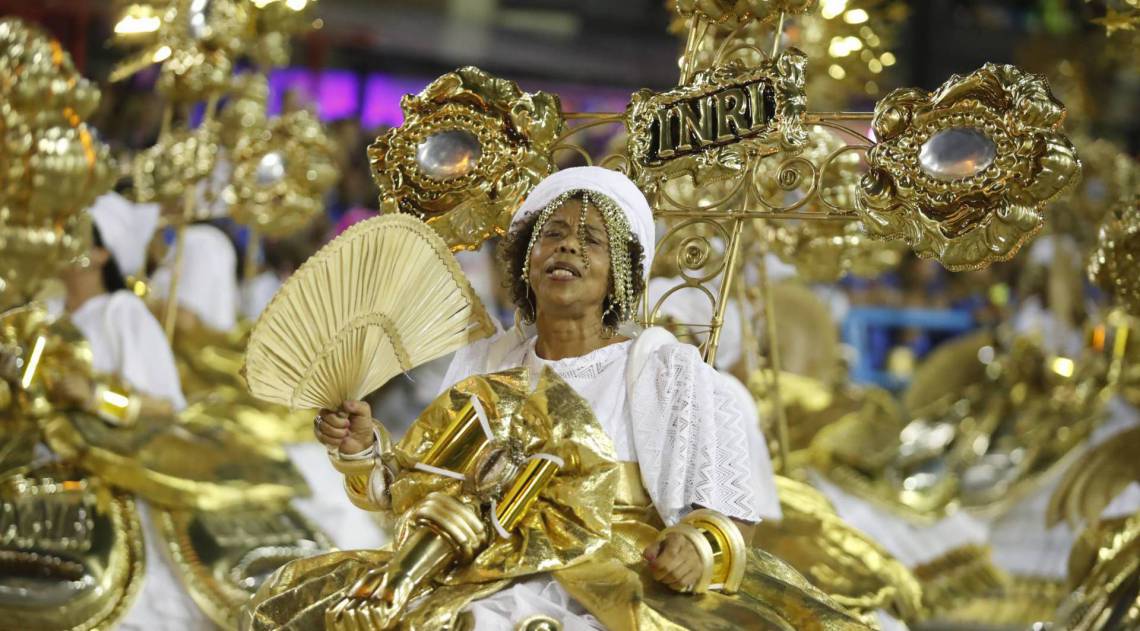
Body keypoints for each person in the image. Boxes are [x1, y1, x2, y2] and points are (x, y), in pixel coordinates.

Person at [245, 168, 870, 630]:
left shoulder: (664, 370)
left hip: (610, 585)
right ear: (526, 261)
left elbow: (731, 514)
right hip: (472, 568)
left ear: (619, 273)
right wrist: (362, 449)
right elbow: (419, 493)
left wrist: (697, 546)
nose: (568, 246)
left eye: (591, 239)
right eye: (553, 234)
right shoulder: (486, 361)